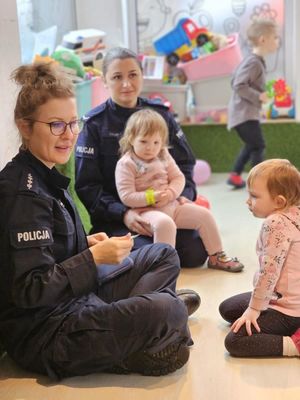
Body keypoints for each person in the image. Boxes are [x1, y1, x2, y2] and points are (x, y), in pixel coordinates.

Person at [0, 62, 200, 380]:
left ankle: (143, 327)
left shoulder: (45, 172)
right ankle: (152, 323)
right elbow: (30, 290)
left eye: (73, 123)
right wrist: (91, 258)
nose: (69, 136)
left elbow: (52, 251)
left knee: (164, 254)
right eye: (56, 125)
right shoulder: (22, 193)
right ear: (25, 127)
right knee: (169, 309)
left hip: (77, 300)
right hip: (48, 332)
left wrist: (85, 244)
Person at [75, 46, 207, 268]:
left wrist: (182, 196)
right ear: (105, 82)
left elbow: (185, 164)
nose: (126, 84)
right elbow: (88, 186)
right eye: (117, 77)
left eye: (133, 75)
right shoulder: (94, 124)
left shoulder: (161, 115)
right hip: (118, 218)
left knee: (194, 252)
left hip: (166, 208)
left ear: (142, 76)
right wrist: (124, 213)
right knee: (141, 255)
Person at [115, 108, 244, 273]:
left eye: (156, 142)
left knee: (204, 215)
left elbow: (178, 178)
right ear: (131, 139)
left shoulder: (163, 155)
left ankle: (216, 256)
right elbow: (126, 196)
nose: (150, 148)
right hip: (147, 212)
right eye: (144, 142)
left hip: (172, 204)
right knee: (165, 224)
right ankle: (163, 270)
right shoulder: (127, 163)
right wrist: (150, 197)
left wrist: (170, 194)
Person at [219, 159, 300, 357]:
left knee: (235, 341)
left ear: (279, 202)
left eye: (254, 196)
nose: (248, 201)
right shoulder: (294, 212)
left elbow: (269, 272)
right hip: (282, 298)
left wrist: (255, 309)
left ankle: (295, 344)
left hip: (288, 311)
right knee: (228, 309)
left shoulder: (275, 223)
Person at [227, 19, 279, 189]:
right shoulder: (253, 62)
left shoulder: (253, 61)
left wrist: (259, 98)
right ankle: (259, 183)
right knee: (258, 145)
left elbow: (235, 80)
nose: (277, 41)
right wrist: (259, 97)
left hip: (245, 113)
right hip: (244, 114)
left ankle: (235, 175)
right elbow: (238, 85)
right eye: (275, 37)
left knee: (252, 144)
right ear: (263, 39)